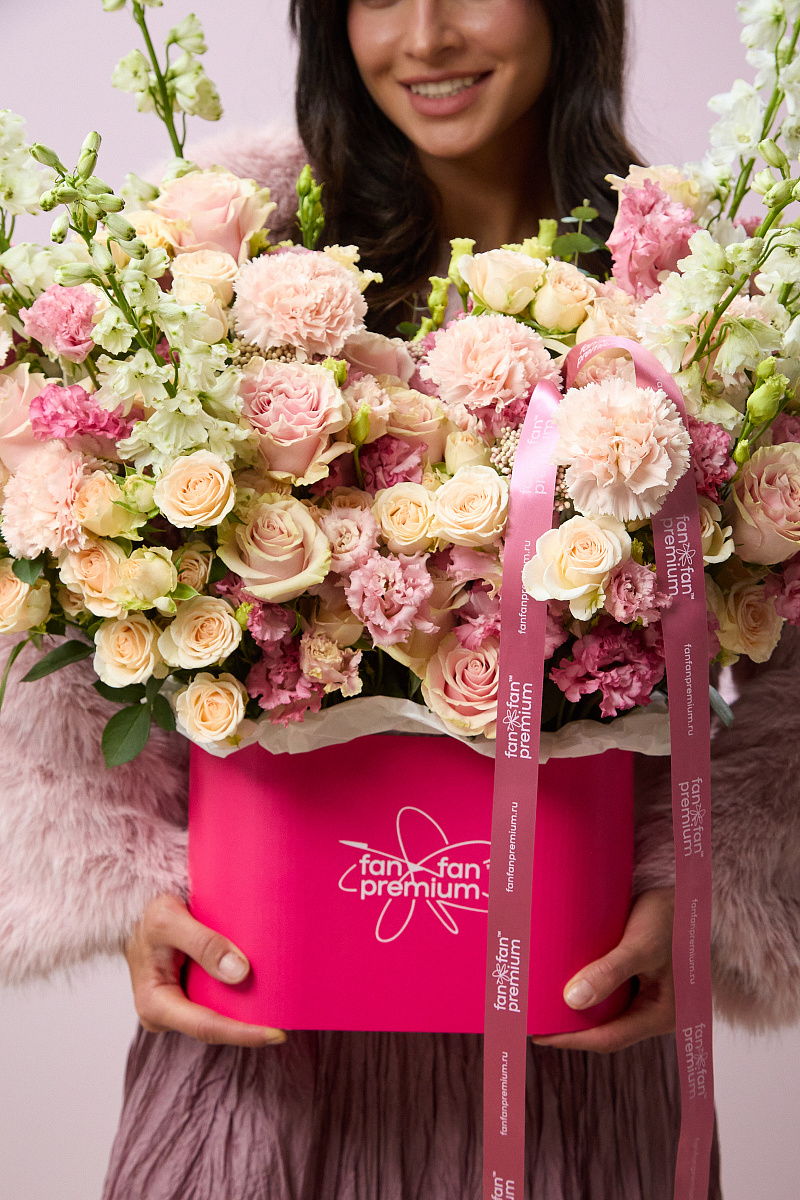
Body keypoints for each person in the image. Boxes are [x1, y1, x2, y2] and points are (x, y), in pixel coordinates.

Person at [1, 0, 799, 1197]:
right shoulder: (215, 259)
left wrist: (706, 894)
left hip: (567, 1028)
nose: (423, 37)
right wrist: (127, 889)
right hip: (267, 1041)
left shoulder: (702, 292)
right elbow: (64, 574)